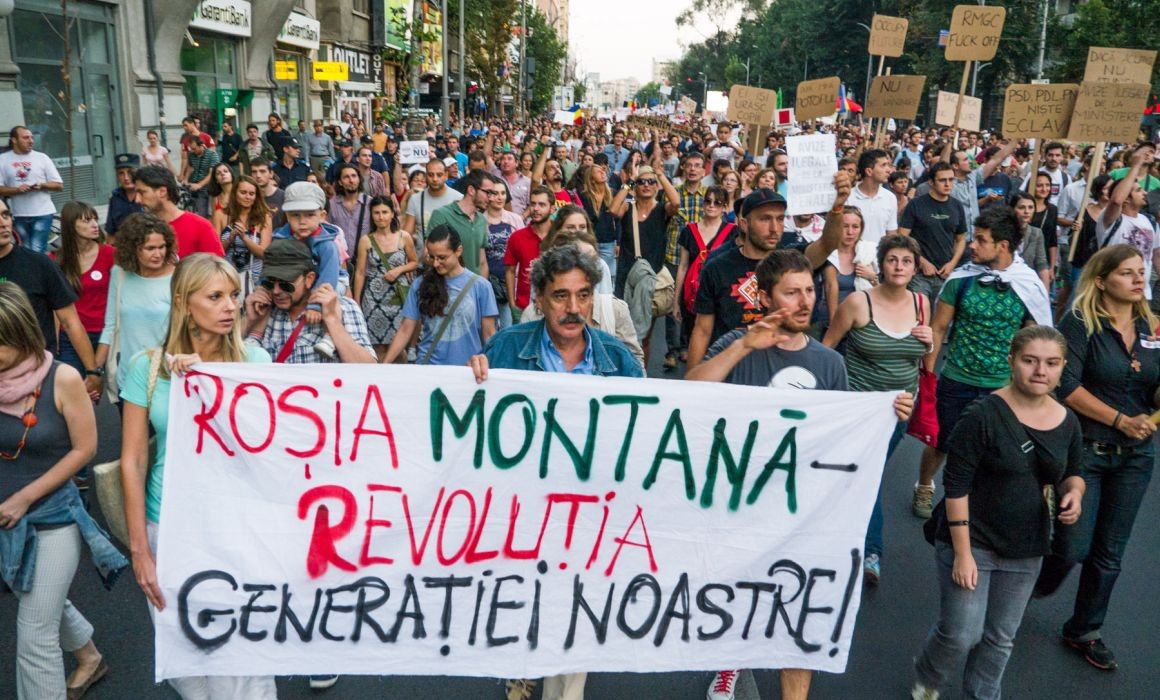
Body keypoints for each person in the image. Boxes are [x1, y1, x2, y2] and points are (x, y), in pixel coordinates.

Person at [687, 249, 912, 700]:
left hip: (803, 509)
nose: (806, 300)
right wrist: (742, 347)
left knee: (801, 608)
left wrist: (884, 414)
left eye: (809, 290)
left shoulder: (829, 363)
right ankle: (730, 663)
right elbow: (689, 392)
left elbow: (841, 438)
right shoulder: (737, 343)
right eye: (791, 292)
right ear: (765, 298)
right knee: (740, 593)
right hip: (742, 502)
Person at [469, 243, 644, 700]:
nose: (573, 308)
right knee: (528, 597)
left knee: (574, 609)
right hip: (523, 507)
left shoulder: (617, 359)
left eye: (583, 295)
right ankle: (526, 663)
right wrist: (473, 377)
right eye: (561, 296)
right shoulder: (507, 348)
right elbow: (473, 422)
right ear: (541, 299)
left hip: (589, 509)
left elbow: (645, 426)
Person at [119, 254, 277, 699]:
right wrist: (140, 550)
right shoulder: (147, 368)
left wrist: (209, 382)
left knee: (239, 663)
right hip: (167, 526)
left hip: (236, 528)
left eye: (233, 295)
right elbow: (133, 460)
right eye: (215, 296)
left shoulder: (255, 361)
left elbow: (268, 447)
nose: (230, 306)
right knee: (184, 657)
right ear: (183, 304)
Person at [911, 325, 1085, 700]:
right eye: (1030, 361)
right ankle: (928, 675)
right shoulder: (982, 415)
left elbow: (1073, 472)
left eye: (1052, 363)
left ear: (1062, 367)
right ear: (1011, 361)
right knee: (960, 633)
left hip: (1026, 545)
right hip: (972, 539)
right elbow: (956, 485)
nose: (1040, 371)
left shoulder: (1068, 421)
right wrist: (963, 554)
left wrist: (1074, 493)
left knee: (1000, 637)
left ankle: (982, 695)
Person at [1033, 245, 1159, 671]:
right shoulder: (1080, 322)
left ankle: (1084, 629)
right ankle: (1035, 575)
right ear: (1102, 281)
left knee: (1109, 552)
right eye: (1127, 273)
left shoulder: (1153, 325)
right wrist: (1120, 420)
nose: (1139, 279)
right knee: (1072, 546)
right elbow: (1066, 386)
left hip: (1135, 457)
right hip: (1085, 449)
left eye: (1141, 271)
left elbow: (1153, 387)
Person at [0, 282, 124, 700]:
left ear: (21, 335)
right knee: (41, 597)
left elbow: (85, 449)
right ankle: (89, 657)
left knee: (35, 634)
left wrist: (22, 498)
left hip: (53, 518)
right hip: (5, 522)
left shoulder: (62, 378)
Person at [914, 206, 1054, 519]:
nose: (972, 245)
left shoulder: (1026, 284)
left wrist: (1032, 386)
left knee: (995, 451)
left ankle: (969, 504)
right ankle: (924, 485)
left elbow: (1034, 339)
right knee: (941, 442)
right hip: (957, 379)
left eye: (980, 240)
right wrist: (928, 376)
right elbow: (939, 327)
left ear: (1002, 246)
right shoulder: (961, 279)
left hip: (1002, 387)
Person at [823, 234, 931, 583]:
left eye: (906, 261)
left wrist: (930, 344)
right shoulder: (858, 303)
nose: (899, 267)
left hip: (899, 411)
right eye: (892, 260)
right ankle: (870, 552)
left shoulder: (922, 303)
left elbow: (922, 359)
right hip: (858, 408)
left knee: (861, 476)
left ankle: (844, 539)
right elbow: (827, 350)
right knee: (866, 475)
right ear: (881, 265)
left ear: (915, 268)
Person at [687, 179, 848, 370]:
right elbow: (702, 330)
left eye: (780, 219)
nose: (774, 228)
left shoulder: (793, 260)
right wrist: (692, 381)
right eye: (765, 219)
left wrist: (837, 207)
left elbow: (827, 244)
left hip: (782, 367)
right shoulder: (717, 267)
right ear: (744, 224)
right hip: (732, 366)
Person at [0, 199, 101, 400]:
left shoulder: (38, 264)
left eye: (5, 215)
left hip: (39, 377)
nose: (3, 223)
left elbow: (70, 322)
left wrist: (92, 371)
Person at [244, 238, 376, 366]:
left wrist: (332, 320)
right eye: (270, 283)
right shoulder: (264, 311)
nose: (276, 291)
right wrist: (248, 321)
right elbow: (232, 362)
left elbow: (368, 369)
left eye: (285, 284)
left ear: (309, 279)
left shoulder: (344, 307)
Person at [383, 225, 498, 365]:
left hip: (467, 370)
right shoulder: (420, 284)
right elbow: (405, 329)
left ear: (458, 251)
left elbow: (489, 335)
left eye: (442, 257)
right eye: (432, 257)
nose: (436, 263)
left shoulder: (481, 287)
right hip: (429, 368)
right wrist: (385, 364)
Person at [93, 213, 176, 402]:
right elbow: (111, 326)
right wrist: (95, 371)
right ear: (133, 249)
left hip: (167, 378)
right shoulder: (119, 274)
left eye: (162, 247)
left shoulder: (178, 277)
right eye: (150, 248)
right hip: (129, 378)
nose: (158, 254)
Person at [52, 202, 115, 380]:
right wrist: (55, 340)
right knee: (74, 387)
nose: (95, 225)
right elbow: (55, 305)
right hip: (71, 338)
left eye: (95, 219)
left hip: (106, 335)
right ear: (70, 225)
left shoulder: (110, 254)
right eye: (87, 221)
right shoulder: (56, 260)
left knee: (111, 387)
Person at [672, 185, 734, 359]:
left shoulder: (732, 232)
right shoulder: (689, 231)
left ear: (725, 207)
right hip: (692, 296)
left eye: (717, 202)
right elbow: (683, 266)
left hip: (720, 296)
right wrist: (676, 301)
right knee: (693, 347)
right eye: (708, 201)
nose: (711, 205)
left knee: (717, 347)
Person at [353, 196, 417, 361]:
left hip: (398, 296)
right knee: (377, 345)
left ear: (392, 213)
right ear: (371, 215)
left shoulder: (404, 236)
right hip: (373, 299)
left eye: (384, 212)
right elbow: (360, 272)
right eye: (376, 213)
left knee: (399, 344)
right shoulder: (366, 240)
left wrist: (399, 269)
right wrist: (357, 301)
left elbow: (414, 262)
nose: (381, 217)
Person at [1093, 148, 1159, 300]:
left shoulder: (1149, 221)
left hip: (1142, 294)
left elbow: (1156, 256)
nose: (1145, 193)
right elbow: (1116, 201)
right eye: (1139, 190)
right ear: (1126, 199)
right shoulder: (1111, 219)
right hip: (1114, 291)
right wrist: (1135, 166)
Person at [899, 161, 968, 305]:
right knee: (919, 313)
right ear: (931, 182)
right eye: (942, 180)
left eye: (951, 180)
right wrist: (921, 261)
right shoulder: (916, 204)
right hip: (919, 274)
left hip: (945, 273)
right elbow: (902, 237)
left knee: (940, 316)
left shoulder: (957, 205)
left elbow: (961, 239)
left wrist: (953, 263)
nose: (948, 184)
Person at [133, 166, 224, 258]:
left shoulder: (200, 226)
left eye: (142, 192)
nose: (137, 200)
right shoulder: (138, 228)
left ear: (162, 191)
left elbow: (217, 265)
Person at [0, 126, 64, 252]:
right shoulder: (3, 159)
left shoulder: (42, 158)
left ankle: (39, 265)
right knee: (25, 249)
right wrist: (17, 190)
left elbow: (59, 185)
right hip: (19, 214)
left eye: (32, 138)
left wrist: (42, 185)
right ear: (14, 140)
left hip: (43, 212)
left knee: (37, 248)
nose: (31, 141)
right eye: (26, 138)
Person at [425, 168, 495, 276]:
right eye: (488, 193)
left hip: (474, 284)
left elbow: (482, 262)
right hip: (447, 283)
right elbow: (427, 255)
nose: (491, 198)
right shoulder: (442, 215)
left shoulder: (481, 220)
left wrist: (482, 284)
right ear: (471, 190)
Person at [217, 175, 272, 295]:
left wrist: (245, 238)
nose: (247, 197)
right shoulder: (221, 214)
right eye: (243, 192)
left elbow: (264, 253)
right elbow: (215, 252)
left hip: (253, 281)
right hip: (226, 278)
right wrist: (230, 238)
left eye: (251, 194)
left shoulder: (264, 217)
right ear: (235, 193)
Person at [823, 207, 878, 326]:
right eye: (845, 226)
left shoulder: (867, 252)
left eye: (855, 227)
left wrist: (872, 277)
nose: (850, 232)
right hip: (832, 319)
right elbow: (830, 286)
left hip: (862, 318)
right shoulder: (829, 253)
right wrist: (834, 325)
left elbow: (883, 290)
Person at [505, 187, 554, 320]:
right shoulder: (517, 237)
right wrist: (512, 305)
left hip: (554, 306)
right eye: (533, 204)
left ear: (552, 209)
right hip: (524, 307)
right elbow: (510, 271)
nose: (536, 208)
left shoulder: (560, 236)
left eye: (541, 204)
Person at [483, 180, 524, 328]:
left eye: (503, 193)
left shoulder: (515, 219)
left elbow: (522, 249)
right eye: (495, 193)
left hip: (511, 282)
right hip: (488, 282)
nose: (500, 197)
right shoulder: (479, 220)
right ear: (487, 195)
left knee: (508, 325)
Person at [403, 158, 464, 251]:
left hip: (450, 256)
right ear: (426, 175)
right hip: (422, 257)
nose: (435, 179)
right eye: (431, 175)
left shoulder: (458, 198)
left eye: (439, 175)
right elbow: (407, 233)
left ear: (446, 175)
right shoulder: (415, 199)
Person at [848, 149, 899, 245]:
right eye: (883, 165)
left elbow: (891, 234)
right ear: (869, 171)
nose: (889, 170)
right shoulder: (848, 197)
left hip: (879, 254)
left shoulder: (890, 198)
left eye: (888, 165)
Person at [327, 163, 373, 255]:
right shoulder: (332, 205)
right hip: (340, 258)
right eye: (346, 177)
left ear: (359, 179)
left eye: (354, 176)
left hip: (365, 258)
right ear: (340, 182)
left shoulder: (370, 203)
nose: (351, 180)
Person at [1011, 191, 1051, 289]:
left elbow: (1041, 264)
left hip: (1027, 283)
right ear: (1012, 209)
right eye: (1021, 207)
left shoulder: (1036, 233)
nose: (1027, 211)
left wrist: (1045, 293)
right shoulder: (1001, 231)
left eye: (1030, 207)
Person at [106, 154, 145, 237]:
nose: (126, 178)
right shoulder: (115, 199)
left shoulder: (148, 196)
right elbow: (111, 232)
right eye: (121, 173)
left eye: (130, 172)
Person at [181, 137, 220, 217]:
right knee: (190, 211)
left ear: (201, 145)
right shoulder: (191, 155)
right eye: (191, 149)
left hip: (206, 188)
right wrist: (186, 179)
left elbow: (212, 173)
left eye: (194, 149)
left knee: (202, 214)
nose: (192, 151)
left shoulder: (212, 155)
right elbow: (190, 167)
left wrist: (199, 185)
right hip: (193, 186)